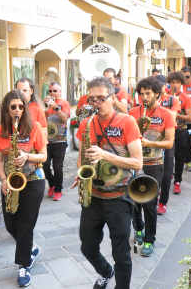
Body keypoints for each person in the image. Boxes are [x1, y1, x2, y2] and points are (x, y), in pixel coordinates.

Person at [76, 77, 143, 289]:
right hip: (93, 197)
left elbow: (137, 162)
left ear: (113, 98)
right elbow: (82, 154)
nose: (96, 103)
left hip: (119, 198)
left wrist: (104, 154)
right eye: (92, 99)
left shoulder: (127, 122)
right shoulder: (87, 123)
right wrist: (80, 173)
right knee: (87, 246)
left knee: (121, 254)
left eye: (101, 98)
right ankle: (106, 272)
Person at [0, 90, 47, 287]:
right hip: (11, 181)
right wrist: (3, 180)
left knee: (25, 224)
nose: (17, 110)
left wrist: (27, 156)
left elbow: (43, 156)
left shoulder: (35, 128)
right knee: (10, 224)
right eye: (13, 107)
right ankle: (30, 247)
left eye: (21, 107)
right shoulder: (0, 131)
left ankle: (23, 265)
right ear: (6, 110)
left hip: (33, 180)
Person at [129, 77, 175, 256]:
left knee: (148, 202)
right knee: (133, 200)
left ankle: (149, 239)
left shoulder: (166, 115)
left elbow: (169, 143)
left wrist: (149, 143)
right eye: (141, 94)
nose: (144, 97)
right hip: (133, 163)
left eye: (148, 94)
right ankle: (138, 228)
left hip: (154, 164)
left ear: (157, 93)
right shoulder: (132, 112)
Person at [156, 79, 180, 215]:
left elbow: (172, 115)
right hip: (152, 140)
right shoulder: (147, 101)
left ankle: (162, 202)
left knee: (167, 173)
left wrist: (158, 106)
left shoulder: (173, 100)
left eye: (161, 86)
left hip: (168, 139)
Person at [44, 82, 70, 201]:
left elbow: (65, 118)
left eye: (55, 91)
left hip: (60, 140)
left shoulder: (64, 103)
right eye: (50, 91)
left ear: (60, 92)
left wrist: (56, 107)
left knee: (57, 167)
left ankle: (58, 190)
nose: (52, 93)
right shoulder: (46, 104)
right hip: (47, 141)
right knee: (44, 165)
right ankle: (52, 184)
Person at [167, 72, 191, 194]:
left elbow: (189, 117)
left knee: (179, 157)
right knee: (167, 158)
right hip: (166, 132)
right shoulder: (164, 96)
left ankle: (177, 181)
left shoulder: (186, 98)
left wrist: (176, 114)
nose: (175, 85)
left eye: (177, 82)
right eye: (172, 82)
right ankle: (167, 177)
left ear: (181, 84)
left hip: (181, 131)